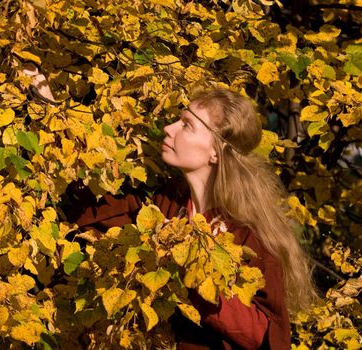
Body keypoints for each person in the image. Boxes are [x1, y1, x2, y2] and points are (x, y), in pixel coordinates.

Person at [22, 65, 316, 349]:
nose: (169, 128)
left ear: (215, 152)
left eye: (187, 126)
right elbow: (94, 212)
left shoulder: (249, 233)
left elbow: (262, 335)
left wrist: (194, 275)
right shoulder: (167, 204)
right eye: (179, 119)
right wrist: (48, 107)